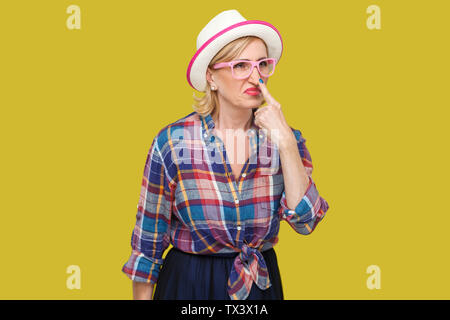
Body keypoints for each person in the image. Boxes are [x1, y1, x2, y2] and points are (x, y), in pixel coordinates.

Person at [122, 9, 330, 300]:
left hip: (259, 286)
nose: (256, 78)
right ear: (211, 77)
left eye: (262, 65)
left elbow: (305, 221)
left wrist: (284, 142)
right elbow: (148, 244)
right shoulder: (172, 143)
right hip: (188, 284)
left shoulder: (286, 139)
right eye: (241, 66)